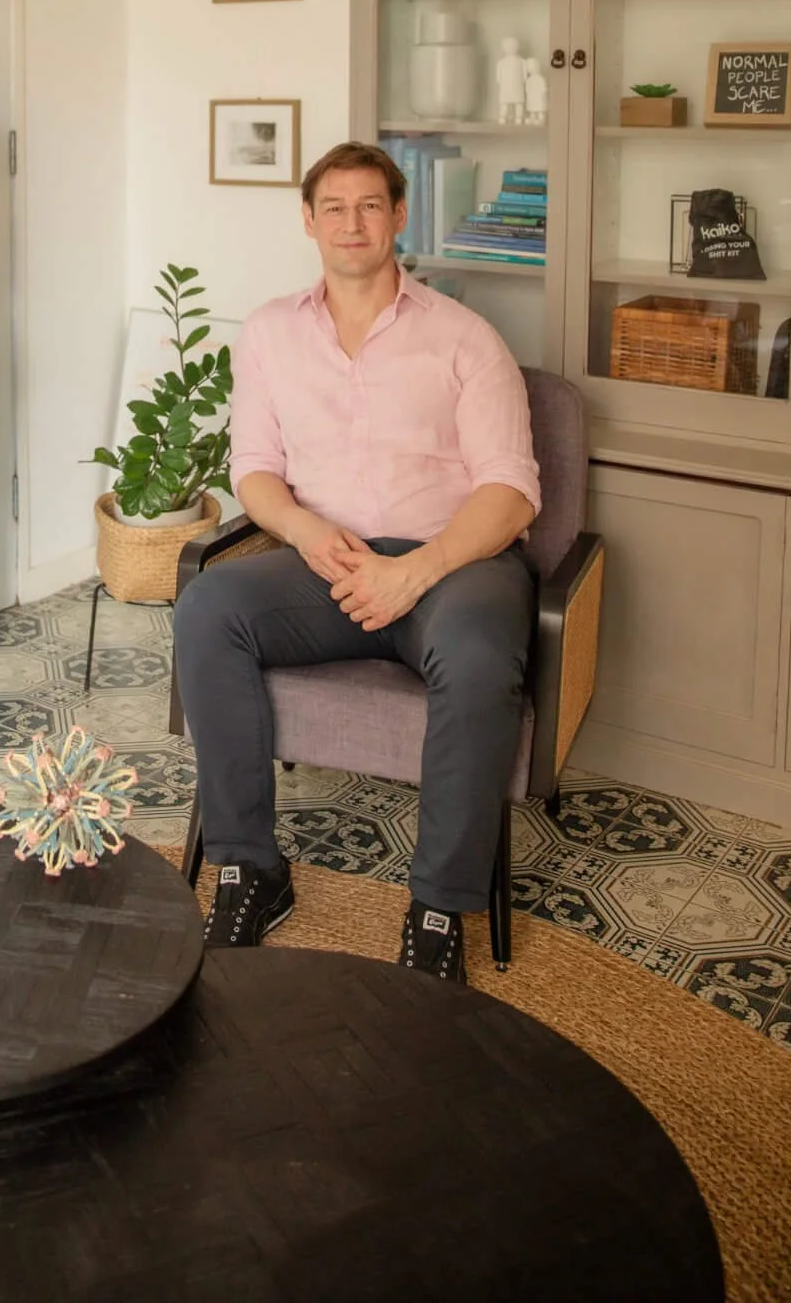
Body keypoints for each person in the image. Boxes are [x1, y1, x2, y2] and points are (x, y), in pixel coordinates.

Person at [172, 140, 539, 981]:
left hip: (457, 567)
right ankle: (250, 867)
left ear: (399, 217)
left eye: (370, 205)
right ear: (308, 221)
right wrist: (302, 531)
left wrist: (416, 571)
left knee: (481, 655)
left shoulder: (465, 339)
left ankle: (440, 910)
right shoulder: (269, 334)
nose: (352, 223)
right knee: (206, 607)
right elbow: (253, 469)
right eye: (333, 207)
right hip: (326, 558)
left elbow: (511, 493)